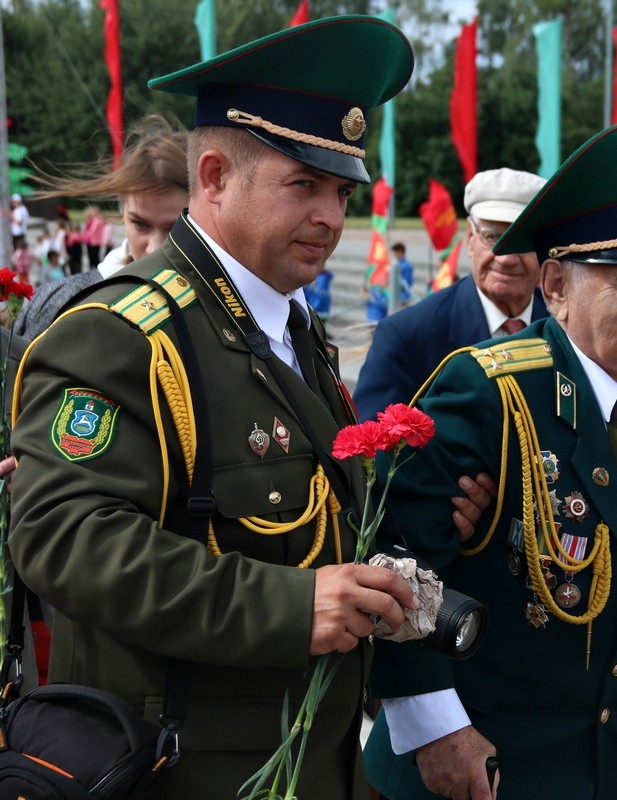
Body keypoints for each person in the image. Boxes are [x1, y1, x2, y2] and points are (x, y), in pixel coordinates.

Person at [8, 17, 421, 798]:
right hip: (179, 769)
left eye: (340, 190)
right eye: (303, 184)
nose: (332, 217)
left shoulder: (294, 326)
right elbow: (63, 538)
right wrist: (290, 608)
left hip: (310, 764)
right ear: (214, 176)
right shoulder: (118, 334)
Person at [363, 121, 617, 800]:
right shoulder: (491, 389)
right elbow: (398, 558)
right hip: (486, 756)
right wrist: (433, 724)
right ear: (555, 285)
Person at [354, 166, 548, 418]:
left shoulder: (569, 327)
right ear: (470, 238)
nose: (506, 258)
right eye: (493, 238)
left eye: (523, 241)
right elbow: (372, 450)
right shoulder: (407, 336)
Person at [14, 115, 190, 340]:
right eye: (140, 224)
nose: (154, 248)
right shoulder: (63, 303)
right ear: (123, 211)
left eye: (175, 228)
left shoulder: (230, 304)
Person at [390, 240, 413, 313]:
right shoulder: (396, 263)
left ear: (400, 251)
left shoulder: (406, 266)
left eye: (396, 251)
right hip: (395, 294)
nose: (395, 254)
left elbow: (407, 283)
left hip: (402, 296)